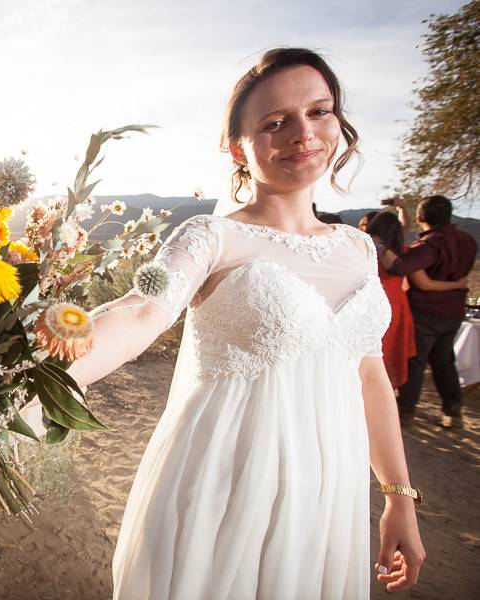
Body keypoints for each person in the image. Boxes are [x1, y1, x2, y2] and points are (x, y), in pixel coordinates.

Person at [66, 48, 424, 598]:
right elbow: (140, 312)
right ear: (237, 147)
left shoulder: (357, 248)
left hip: (328, 492)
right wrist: (29, 379)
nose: (302, 134)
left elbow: (369, 373)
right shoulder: (210, 238)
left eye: (319, 111)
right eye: (275, 122)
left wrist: (398, 496)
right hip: (225, 478)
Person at [377, 195, 477, 429]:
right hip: (453, 312)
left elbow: (401, 267)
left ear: (422, 217)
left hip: (426, 312)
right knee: (444, 362)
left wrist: (380, 244)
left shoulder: (431, 245)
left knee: (416, 361)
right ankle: (453, 410)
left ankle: (405, 412)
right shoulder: (468, 241)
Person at [365, 211, 465, 391]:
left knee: (368, 351)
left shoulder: (363, 250)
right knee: (388, 351)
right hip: (395, 306)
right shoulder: (404, 254)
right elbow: (425, 284)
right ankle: (384, 392)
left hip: (366, 303)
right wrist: (456, 284)